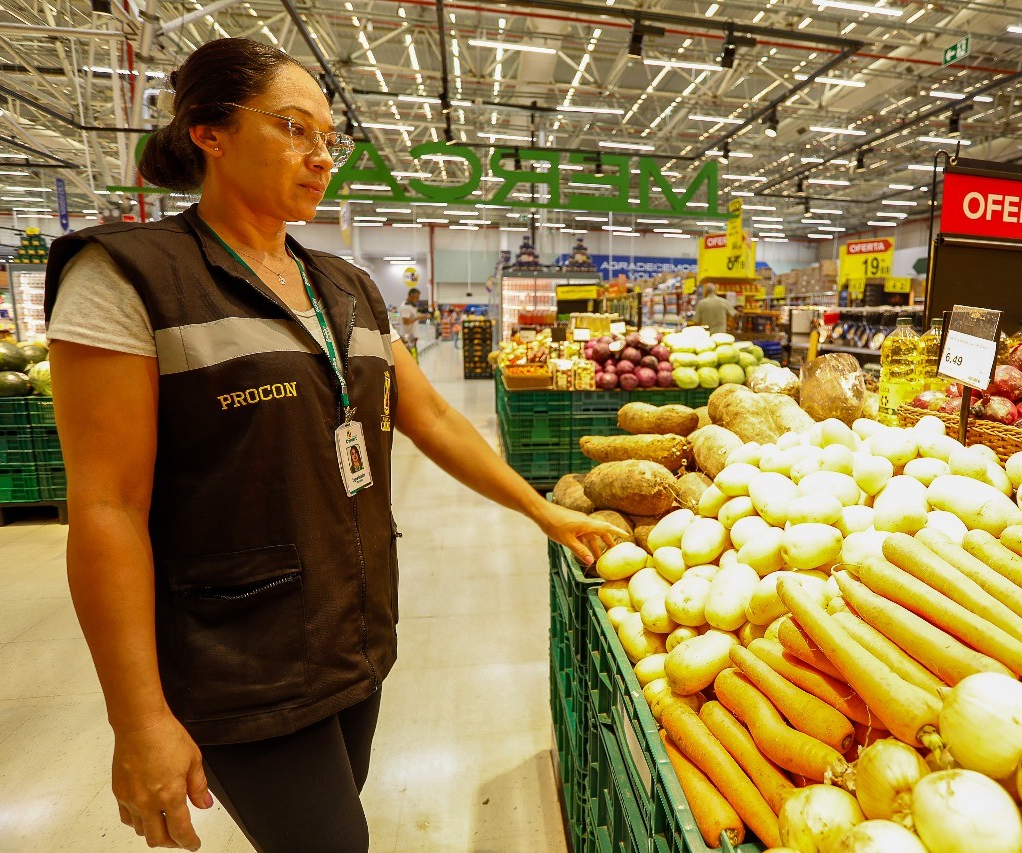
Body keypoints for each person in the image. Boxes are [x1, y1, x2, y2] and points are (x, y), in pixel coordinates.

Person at [43, 37, 621, 853]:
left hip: (354, 635)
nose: (320, 157)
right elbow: (105, 506)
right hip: (237, 655)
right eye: (292, 129)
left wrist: (542, 511)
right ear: (208, 131)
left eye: (328, 138)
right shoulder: (129, 278)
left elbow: (435, 418)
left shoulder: (343, 287)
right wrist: (137, 719)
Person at [396, 287, 428, 355]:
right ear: (411, 296)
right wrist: (418, 317)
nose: (418, 299)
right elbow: (405, 321)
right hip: (408, 338)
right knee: (411, 358)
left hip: (411, 338)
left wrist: (419, 317)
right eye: (417, 297)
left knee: (414, 357)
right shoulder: (406, 307)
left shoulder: (410, 306)